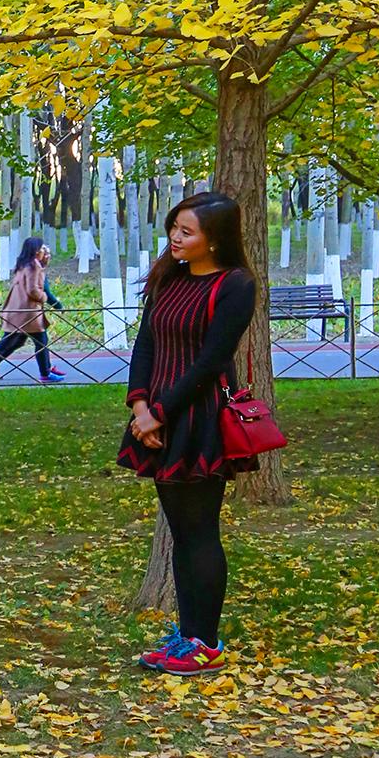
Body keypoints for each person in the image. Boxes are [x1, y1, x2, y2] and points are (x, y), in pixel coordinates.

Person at [119, 191, 258, 677]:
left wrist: (160, 411)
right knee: (181, 533)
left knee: (201, 533)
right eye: (173, 228)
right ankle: (187, 634)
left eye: (186, 231)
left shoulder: (236, 284)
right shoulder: (169, 277)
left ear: (214, 239)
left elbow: (211, 361)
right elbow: (145, 345)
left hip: (198, 419)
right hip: (154, 418)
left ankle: (206, 642)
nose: (175, 238)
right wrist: (140, 407)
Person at [0, 236, 67, 385]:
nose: (44, 251)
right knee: (36, 342)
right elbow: (33, 290)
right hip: (28, 313)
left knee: (18, 341)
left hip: (18, 311)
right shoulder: (34, 265)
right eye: (42, 248)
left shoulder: (23, 264)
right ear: (36, 251)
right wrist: (43, 298)